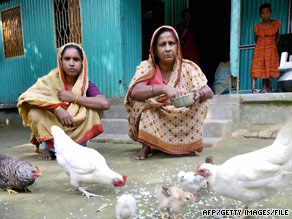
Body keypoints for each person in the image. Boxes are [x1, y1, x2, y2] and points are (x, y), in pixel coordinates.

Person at [124, 26, 213, 160]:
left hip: (182, 112)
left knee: (203, 102)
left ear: (177, 46)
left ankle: (188, 145)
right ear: (154, 49)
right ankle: (146, 146)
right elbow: (134, 92)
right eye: (162, 45)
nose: (167, 49)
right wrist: (164, 89)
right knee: (141, 103)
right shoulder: (147, 67)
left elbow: (209, 91)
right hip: (157, 112)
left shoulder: (188, 67)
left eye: (171, 43)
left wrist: (198, 94)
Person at [17, 43, 109, 160]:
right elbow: (26, 98)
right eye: (67, 59)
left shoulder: (85, 84)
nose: (71, 63)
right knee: (34, 112)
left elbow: (104, 104)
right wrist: (57, 109)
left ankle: (77, 145)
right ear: (61, 62)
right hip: (54, 123)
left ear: (82, 63)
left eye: (76, 59)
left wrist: (74, 98)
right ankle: (48, 148)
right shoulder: (49, 80)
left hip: (75, 125)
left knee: (92, 109)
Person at [250, 3, 281, 93]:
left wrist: (273, 44)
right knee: (257, 65)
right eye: (263, 13)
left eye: (267, 12)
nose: (265, 14)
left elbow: (278, 36)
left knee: (268, 67)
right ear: (260, 15)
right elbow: (256, 39)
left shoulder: (275, 24)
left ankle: (265, 88)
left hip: (271, 49)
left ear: (270, 12)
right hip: (259, 48)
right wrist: (260, 45)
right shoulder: (258, 27)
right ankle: (253, 88)